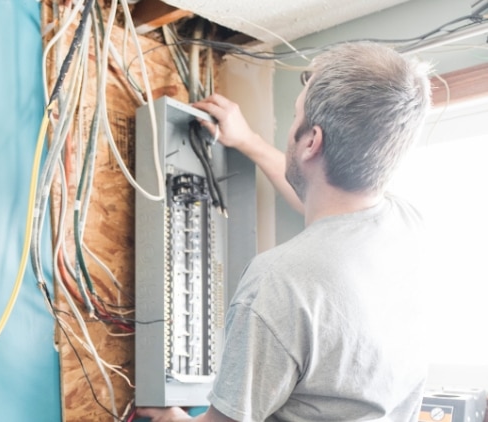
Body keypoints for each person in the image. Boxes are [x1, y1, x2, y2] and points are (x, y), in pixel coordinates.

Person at [138, 41, 432, 421]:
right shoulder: (408, 226)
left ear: (311, 141)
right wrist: (248, 142)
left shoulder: (279, 281)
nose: (291, 125)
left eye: (296, 117)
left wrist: (168, 417)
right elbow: (327, 201)